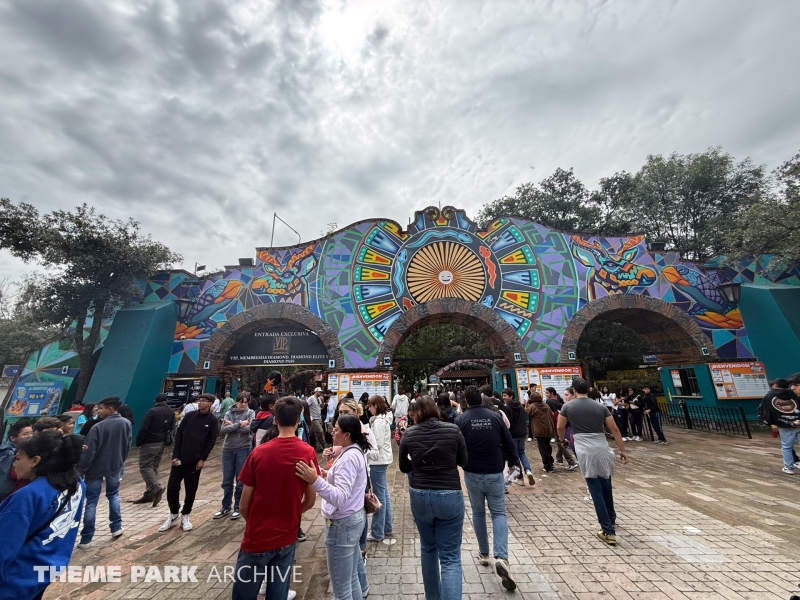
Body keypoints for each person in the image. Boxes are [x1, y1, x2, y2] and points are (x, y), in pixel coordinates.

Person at [231, 397, 317, 600]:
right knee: (278, 591)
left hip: (257, 536)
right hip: (286, 537)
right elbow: (311, 500)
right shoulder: (307, 452)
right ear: (299, 420)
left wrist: (256, 520)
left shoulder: (258, 453)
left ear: (275, 420)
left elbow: (244, 504)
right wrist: (292, 514)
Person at [0, 430, 86, 600]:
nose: (14, 464)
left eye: (18, 458)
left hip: (13, 583)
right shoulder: (76, 484)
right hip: (45, 571)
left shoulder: (27, 497)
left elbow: (3, 548)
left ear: (35, 460)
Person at [399, 396, 467, 600]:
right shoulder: (453, 430)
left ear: (416, 413)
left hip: (420, 494)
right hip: (449, 494)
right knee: (450, 558)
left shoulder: (409, 434)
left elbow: (403, 467)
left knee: (428, 549)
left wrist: (419, 465)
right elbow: (464, 461)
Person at [296, 414, 369, 600]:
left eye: (336, 429)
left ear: (346, 435)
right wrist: (324, 474)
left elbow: (340, 497)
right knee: (351, 579)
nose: (332, 432)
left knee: (341, 589)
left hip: (342, 523)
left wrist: (315, 480)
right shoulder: (352, 451)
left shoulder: (348, 457)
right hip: (352, 518)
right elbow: (346, 483)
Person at [456, 385, 518, 592]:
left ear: (465, 401)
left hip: (472, 471)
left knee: (478, 512)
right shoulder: (495, 417)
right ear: (482, 400)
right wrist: (514, 463)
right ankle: (502, 556)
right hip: (494, 470)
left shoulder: (462, 420)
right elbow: (508, 442)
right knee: (499, 513)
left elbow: (457, 445)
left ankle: (483, 553)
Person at [558, 378, 629, 546]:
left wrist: (562, 441)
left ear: (574, 391)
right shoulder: (600, 406)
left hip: (584, 448)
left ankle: (608, 531)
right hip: (603, 446)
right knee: (606, 484)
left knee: (594, 488)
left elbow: (560, 426)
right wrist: (623, 450)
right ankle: (611, 518)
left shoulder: (568, 406)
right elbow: (614, 429)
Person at [160, 393, 219, 533]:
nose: (201, 403)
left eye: (204, 401)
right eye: (200, 400)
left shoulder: (212, 420)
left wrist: (202, 459)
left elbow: (211, 441)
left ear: (210, 403)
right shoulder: (189, 416)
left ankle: (186, 515)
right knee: (172, 488)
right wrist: (175, 455)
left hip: (195, 461)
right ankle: (173, 513)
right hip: (180, 459)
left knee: (190, 489)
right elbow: (179, 435)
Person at [77, 396, 132, 547]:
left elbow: (89, 452)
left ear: (109, 408)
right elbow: (127, 445)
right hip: (114, 466)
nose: (99, 411)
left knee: (92, 501)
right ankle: (116, 527)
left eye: (101, 408)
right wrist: (120, 462)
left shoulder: (97, 427)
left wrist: (82, 469)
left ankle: (86, 537)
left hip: (95, 469)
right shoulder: (126, 423)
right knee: (113, 496)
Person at [214, 394, 255, 520]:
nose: (243, 405)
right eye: (241, 402)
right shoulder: (229, 413)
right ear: (236, 402)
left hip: (243, 448)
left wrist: (233, 426)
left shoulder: (251, 412)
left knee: (240, 480)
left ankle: (238, 506)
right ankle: (225, 506)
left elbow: (250, 428)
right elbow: (223, 430)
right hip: (228, 449)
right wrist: (239, 424)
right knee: (227, 480)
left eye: (245, 402)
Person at [132, 393, 175, 506]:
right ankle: (150, 494)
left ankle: (155, 488)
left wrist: (139, 442)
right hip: (162, 441)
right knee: (154, 466)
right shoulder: (170, 411)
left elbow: (143, 428)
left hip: (150, 441)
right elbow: (171, 427)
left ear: (156, 400)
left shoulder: (152, 412)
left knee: (145, 466)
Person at [365, 395, 393, 543]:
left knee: (379, 496)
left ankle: (377, 531)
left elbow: (378, 444)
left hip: (378, 461)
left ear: (376, 405)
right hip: (382, 460)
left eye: (370, 406)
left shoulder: (378, 422)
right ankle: (386, 527)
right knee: (384, 495)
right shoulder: (381, 420)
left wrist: (365, 451)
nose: (368, 409)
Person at [766, 374, 800, 474]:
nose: (793, 388)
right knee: (787, 446)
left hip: (786, 425)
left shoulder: (772, 396)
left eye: (796, 385)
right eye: (792, 385)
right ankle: (790, 466)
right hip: (790, 424)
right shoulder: (793, 397)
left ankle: (789, 466)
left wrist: (772, 422)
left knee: (786, 446)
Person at [500, 388, 535, 484]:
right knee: (522, 453)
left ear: (511, 396)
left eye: (505, 396)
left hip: (512, 434)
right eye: (503, 395)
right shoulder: (520, 406)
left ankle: (520, 478)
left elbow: (506, 423)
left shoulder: (506, 408)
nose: (504, 398)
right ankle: (528, 470)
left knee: (515, 455)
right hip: (522, 433)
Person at [0, 419, 33, 501]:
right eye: (25, 434)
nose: (30, 436)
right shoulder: (9, 454)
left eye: (31, 433)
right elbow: (10, 474)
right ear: (12, 438)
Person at [526, 391, 556, 473]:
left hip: (539, 430)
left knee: (543, 448)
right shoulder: (546, 405)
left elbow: (527, 412)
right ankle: (550, 462)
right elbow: (552, 415)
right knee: (548, 446)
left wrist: (526, 404)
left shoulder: (532, 406)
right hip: (548, 429)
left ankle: (547, 466)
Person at [308, 388, 327, 452]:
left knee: (317, 433)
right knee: (320, 431)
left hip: (319, 417)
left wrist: (322, 401)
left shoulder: (319, 398)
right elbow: (306, 405)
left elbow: (322, 407)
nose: (321, 393)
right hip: (314, 418)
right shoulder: (311, 398)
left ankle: (319, 447)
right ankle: (324, 445)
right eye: (320, 392)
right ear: (316, 392)